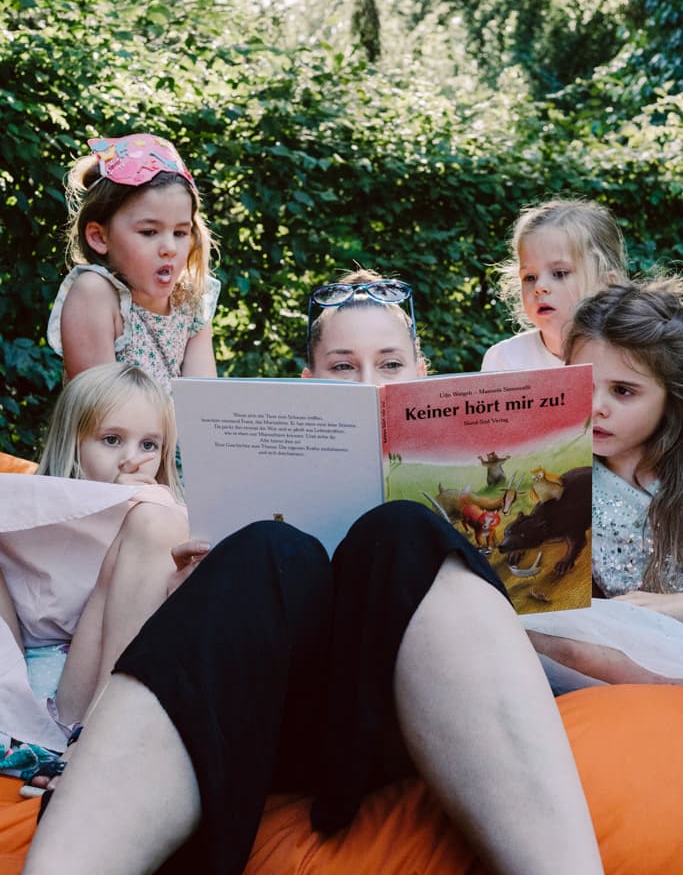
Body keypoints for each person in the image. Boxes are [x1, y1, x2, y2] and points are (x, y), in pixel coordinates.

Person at [23, 270, 604, 875]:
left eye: (390, 364)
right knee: (266, 549)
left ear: (422, 375)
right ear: (309, 382)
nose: (368, 383)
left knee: (405, 530)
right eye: (343, 367)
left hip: (409, 707)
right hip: (268, 714)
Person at [0, 363, 190, 778]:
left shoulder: (165, 514)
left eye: (149, 445)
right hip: (25, 688)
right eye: (111, 440)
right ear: (73, 443)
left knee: (157, 518)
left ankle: (92, 745)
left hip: (99, 695)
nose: (131, 461)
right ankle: (17, 735)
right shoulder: (31, 507)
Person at [522, 278, 683, 688]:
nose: (597, 408)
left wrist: (674, 606)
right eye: (583, 386)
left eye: (623, 391)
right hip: (605, 641)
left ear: (670, 395)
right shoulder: (567, 476)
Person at [47, 133, 220, 390]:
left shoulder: (191, 300)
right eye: (149, 232)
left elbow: (204, 402)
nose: (169, 249)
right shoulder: (95, 293)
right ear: (99, 237)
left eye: (180, 233)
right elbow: (102, 414)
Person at [481, 198, 627, 372]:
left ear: (607, 284)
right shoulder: (505, 359)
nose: (539, 287)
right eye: (530, 277)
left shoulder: (633, 355)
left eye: (560, 274)